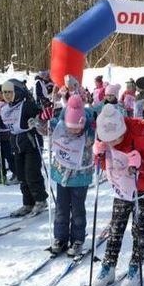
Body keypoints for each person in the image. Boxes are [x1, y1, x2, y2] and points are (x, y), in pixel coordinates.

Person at [91, 104, 144, 286]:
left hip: (142, 190)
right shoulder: (105, 138)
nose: (113, 143)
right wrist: (98, 155)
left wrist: (141, 164)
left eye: (116, 139)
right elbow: (105, 166)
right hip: (121, 189)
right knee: (115, 228)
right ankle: (108, 266)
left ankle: (135, 266)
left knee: (138, 230)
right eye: (108, 140)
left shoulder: (141, 138)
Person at [0, 79, 48, 217]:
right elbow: (4, 124)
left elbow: (41, 116)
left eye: (10, 92)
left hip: (31, 143)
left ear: (18, 92)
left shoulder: (26, 105)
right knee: (21, 175)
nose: (7, 95)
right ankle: (28, 203)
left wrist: (38, 121)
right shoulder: (6, 108)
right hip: (16, 144)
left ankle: (40, 200)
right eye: (4, 93)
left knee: (32, 174)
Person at [48, 95, 95, 257]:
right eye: (71, 127)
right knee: (61, 207)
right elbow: (48, 127)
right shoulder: (61, 126)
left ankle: (77, 239)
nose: (74, 130)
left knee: (77, 209)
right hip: (62, 174)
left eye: (77, 128)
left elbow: (97, 137)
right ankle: (60, 237)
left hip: (80, 177)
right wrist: (41, 122)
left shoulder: (88, 132)